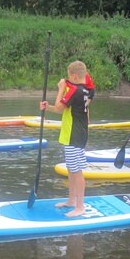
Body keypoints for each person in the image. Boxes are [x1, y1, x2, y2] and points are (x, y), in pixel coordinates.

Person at [40, 61, 90, 217]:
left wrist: (61, 88)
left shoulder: (74, 91)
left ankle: (80, 206)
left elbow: (59, 108)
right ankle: (71, 201)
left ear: (74, 76)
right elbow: (61, 109)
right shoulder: (85, 90)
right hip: (77, 133)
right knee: (71, 168)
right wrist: (46, 107)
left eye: (69, 76)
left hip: (73, 135)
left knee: (76, 171)